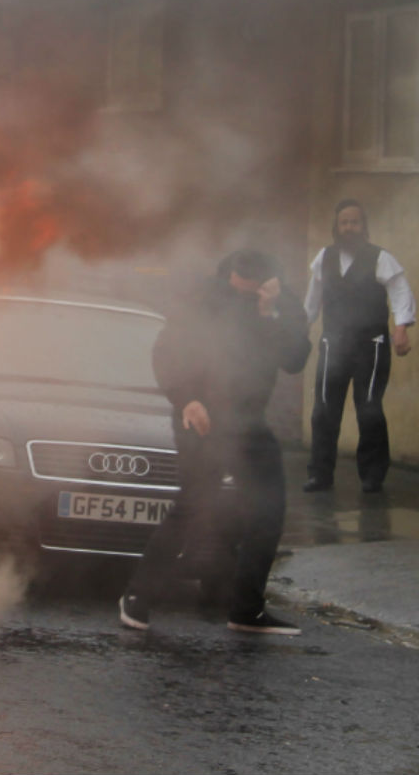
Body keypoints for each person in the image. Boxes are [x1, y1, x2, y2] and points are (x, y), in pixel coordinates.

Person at [119, 249, 311, 635]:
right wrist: (188, 398)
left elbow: (294, 359)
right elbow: (168, 351)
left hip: (249, 423)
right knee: (194, 504)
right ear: (230, 273)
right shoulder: (202, 298)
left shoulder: (278, 302)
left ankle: (246, 610)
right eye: (242, 279)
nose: (247, 287)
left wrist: (270, 311)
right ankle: (137, 597)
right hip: (201, 415)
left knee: (268, 511)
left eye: (256, 281)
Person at [302, 199, 416, 494]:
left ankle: (373, 475)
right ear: (336, 227)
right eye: (344, 222)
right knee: (323, 410)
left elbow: (400, 292)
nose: (349, 227)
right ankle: (320, 475)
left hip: (372, 346)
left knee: (369, 409)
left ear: (363, 227)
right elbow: (312, 301)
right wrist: (302, 327)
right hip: (333, 344)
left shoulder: (380, 258)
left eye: (355, 222)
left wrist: (401, 327)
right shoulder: (324, 258)